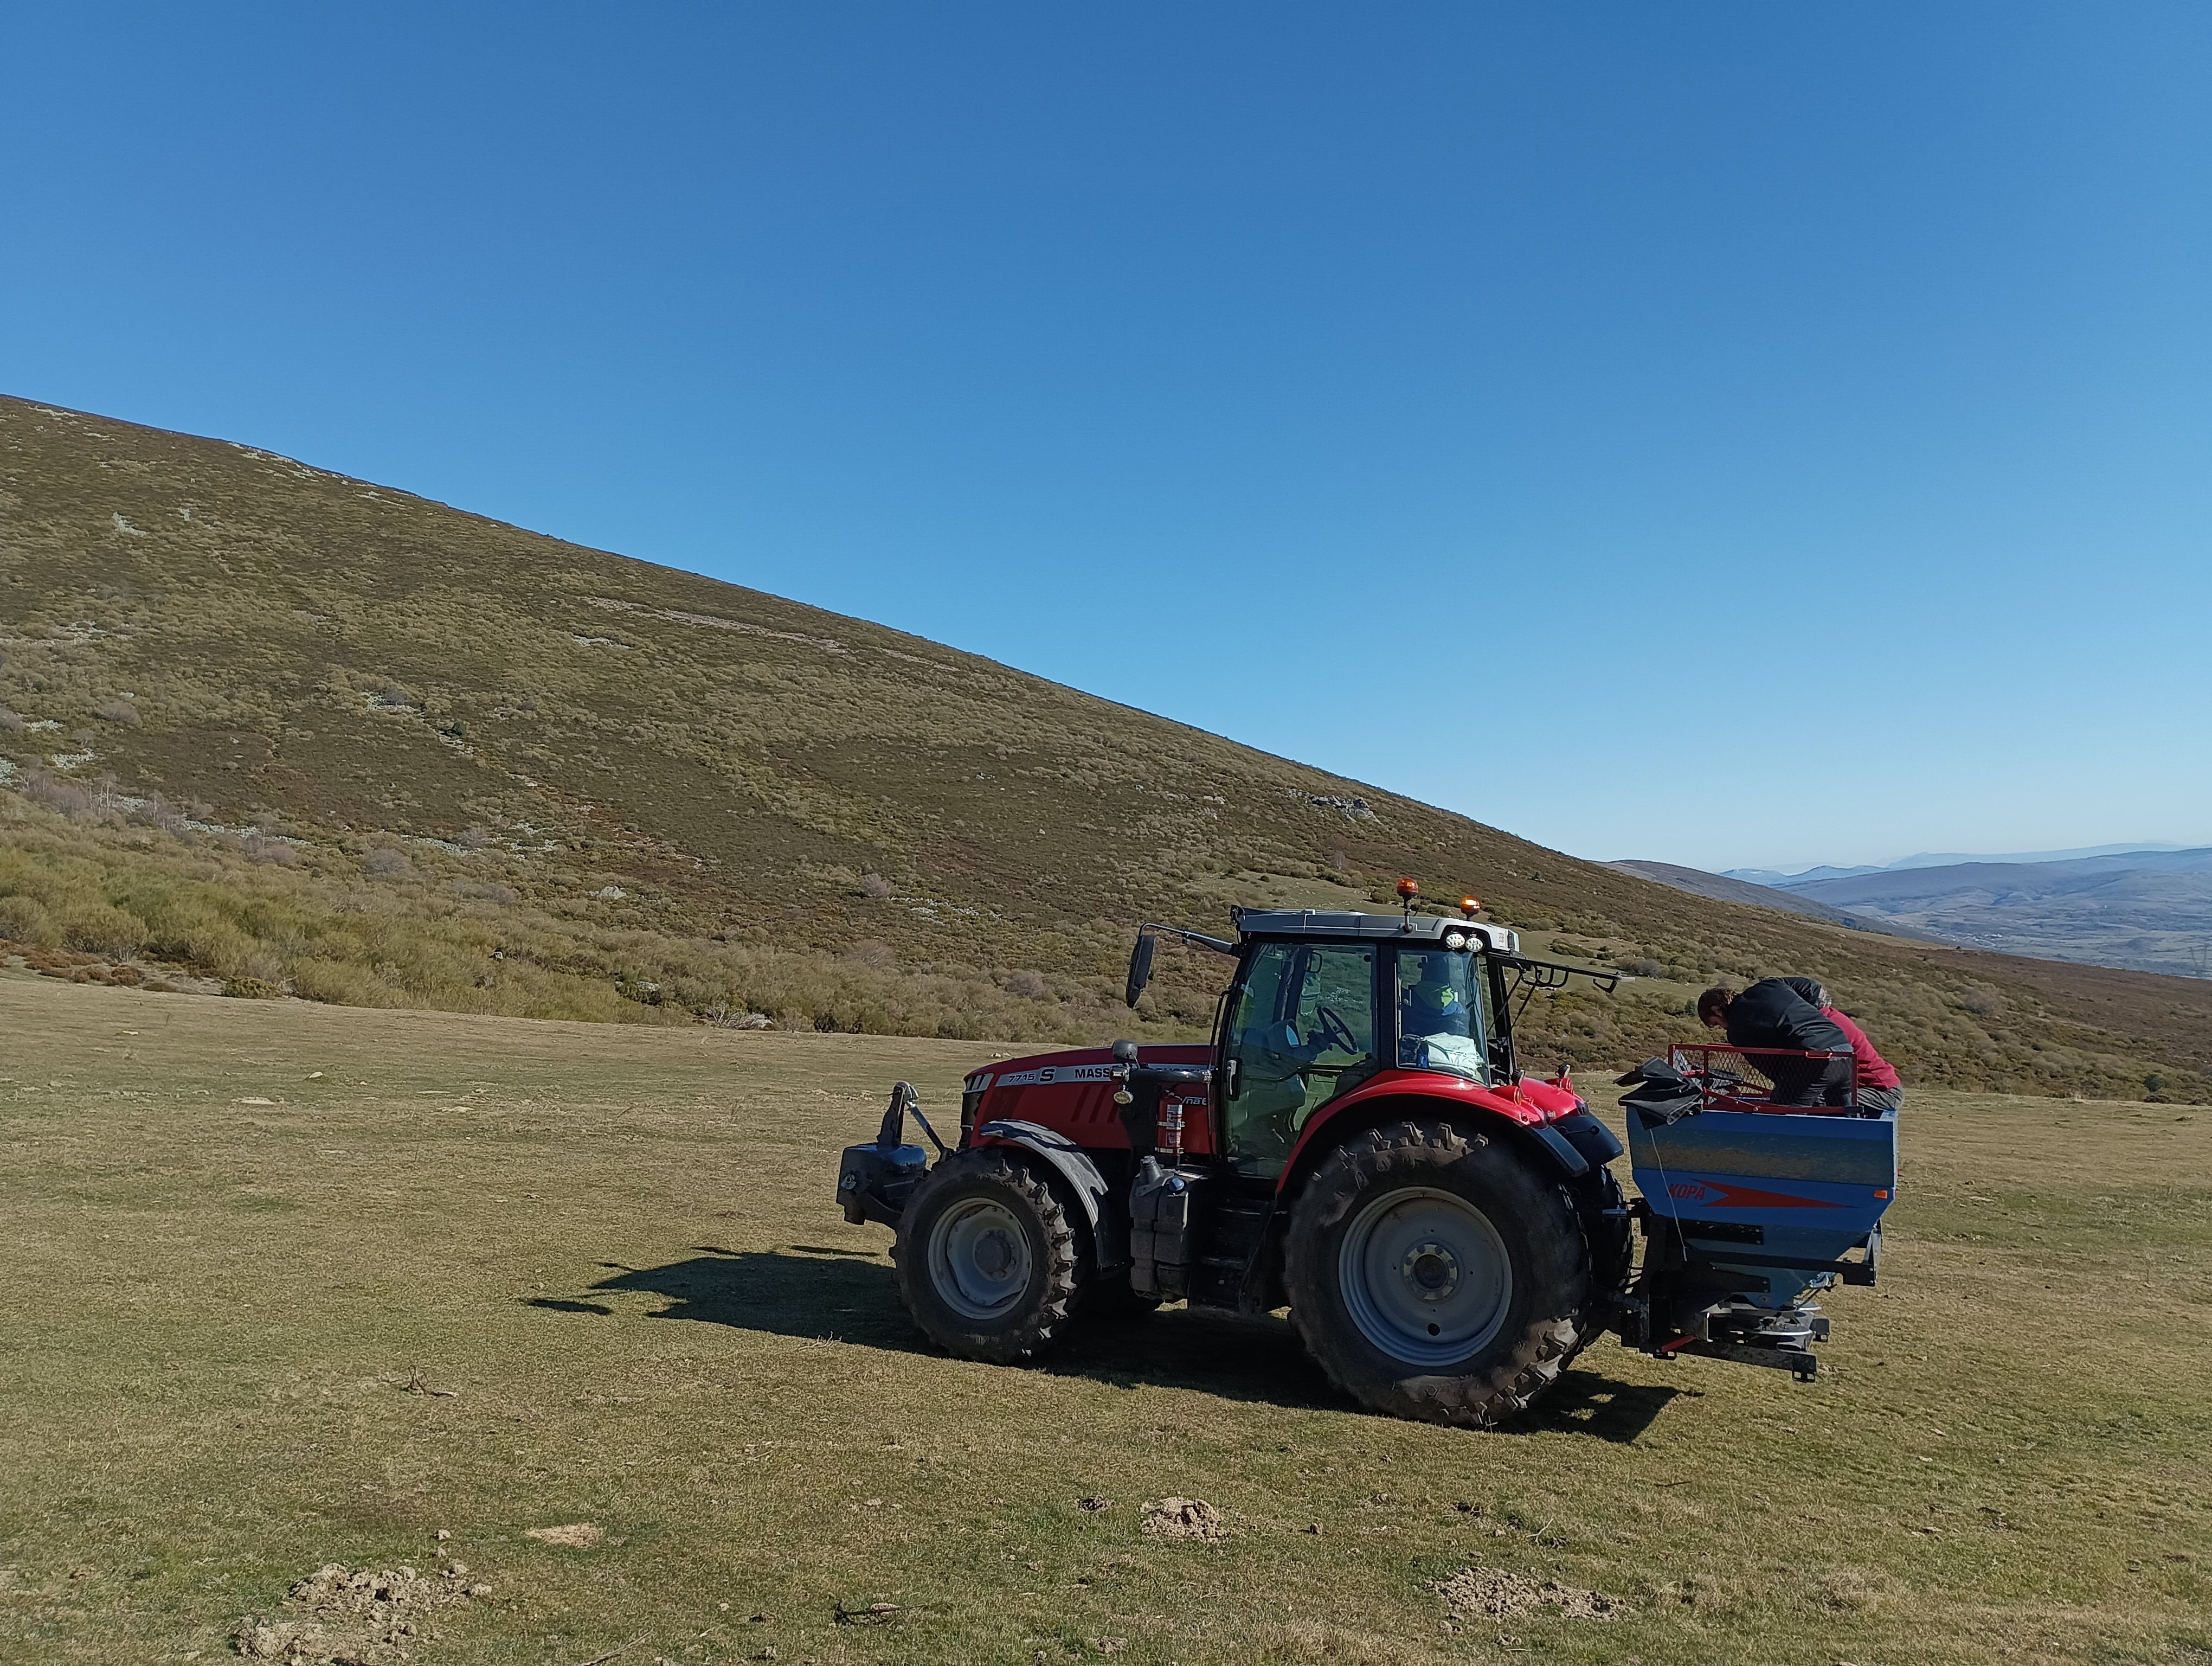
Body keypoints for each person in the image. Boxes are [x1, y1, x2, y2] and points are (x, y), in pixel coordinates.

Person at [1696, 979, 1854, 1107]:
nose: (1723, 1027)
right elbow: (1810, 987)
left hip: (1813, 1057)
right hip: (1844, 1049)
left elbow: (1771, 1067)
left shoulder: (1738, 1029)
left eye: (1717, 1023)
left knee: (1782, 1115)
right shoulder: (1771, 985)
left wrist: (1787, 1090)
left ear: (1717, 1010)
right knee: (1846, 1115)